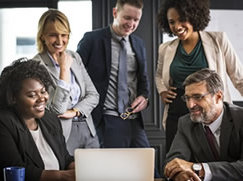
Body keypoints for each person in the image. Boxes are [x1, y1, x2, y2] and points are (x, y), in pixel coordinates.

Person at [155, 0, 243, 153]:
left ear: (194, 16)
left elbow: (239, 78)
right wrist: (162, 91)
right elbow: (158, 75)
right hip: (177, 109)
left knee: (213, 158)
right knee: (176, 160)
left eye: (182, 19)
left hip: (210, 109)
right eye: (171, 22)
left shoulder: (218, 40)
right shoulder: (165, 48)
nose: (177, 27)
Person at [77, 0, 150, 150]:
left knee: (148, 169)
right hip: (107, 119)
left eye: (136, 20)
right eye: (127, 18)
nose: (131, 23)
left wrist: (144, 97)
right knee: (115, 170)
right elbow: (76, 75)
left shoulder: (138, 43)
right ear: (115, 13)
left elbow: (143, 80)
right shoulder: (92, 40)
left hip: (135, 120)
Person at [0, 59, 75, 181]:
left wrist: (82, 168)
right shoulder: (0, 122)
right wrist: (63, 176)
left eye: (43, 91)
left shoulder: (51, 120)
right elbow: (15, 169)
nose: (41, 98)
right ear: (13, 97)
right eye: (32, 95)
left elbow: (65, 159)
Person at [33, 9, 100, 155]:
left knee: (96, 176)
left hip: (87, 129)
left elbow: (93, 95)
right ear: (42, 36)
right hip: (62, 133)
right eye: (53, 35)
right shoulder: (36, 65)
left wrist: (75, 111)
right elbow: (57, 109)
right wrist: (64, 69)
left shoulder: (74, 57)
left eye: (64, 35)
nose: (59, 41)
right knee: (68, 177)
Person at [164, 68, 243, 181]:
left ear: (218, 96)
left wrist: (198, 168)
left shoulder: (240, 119)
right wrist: (181, 175)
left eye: (197, 97)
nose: (190, 105)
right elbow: (173, 162)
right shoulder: (185, 123)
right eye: (187, 98)